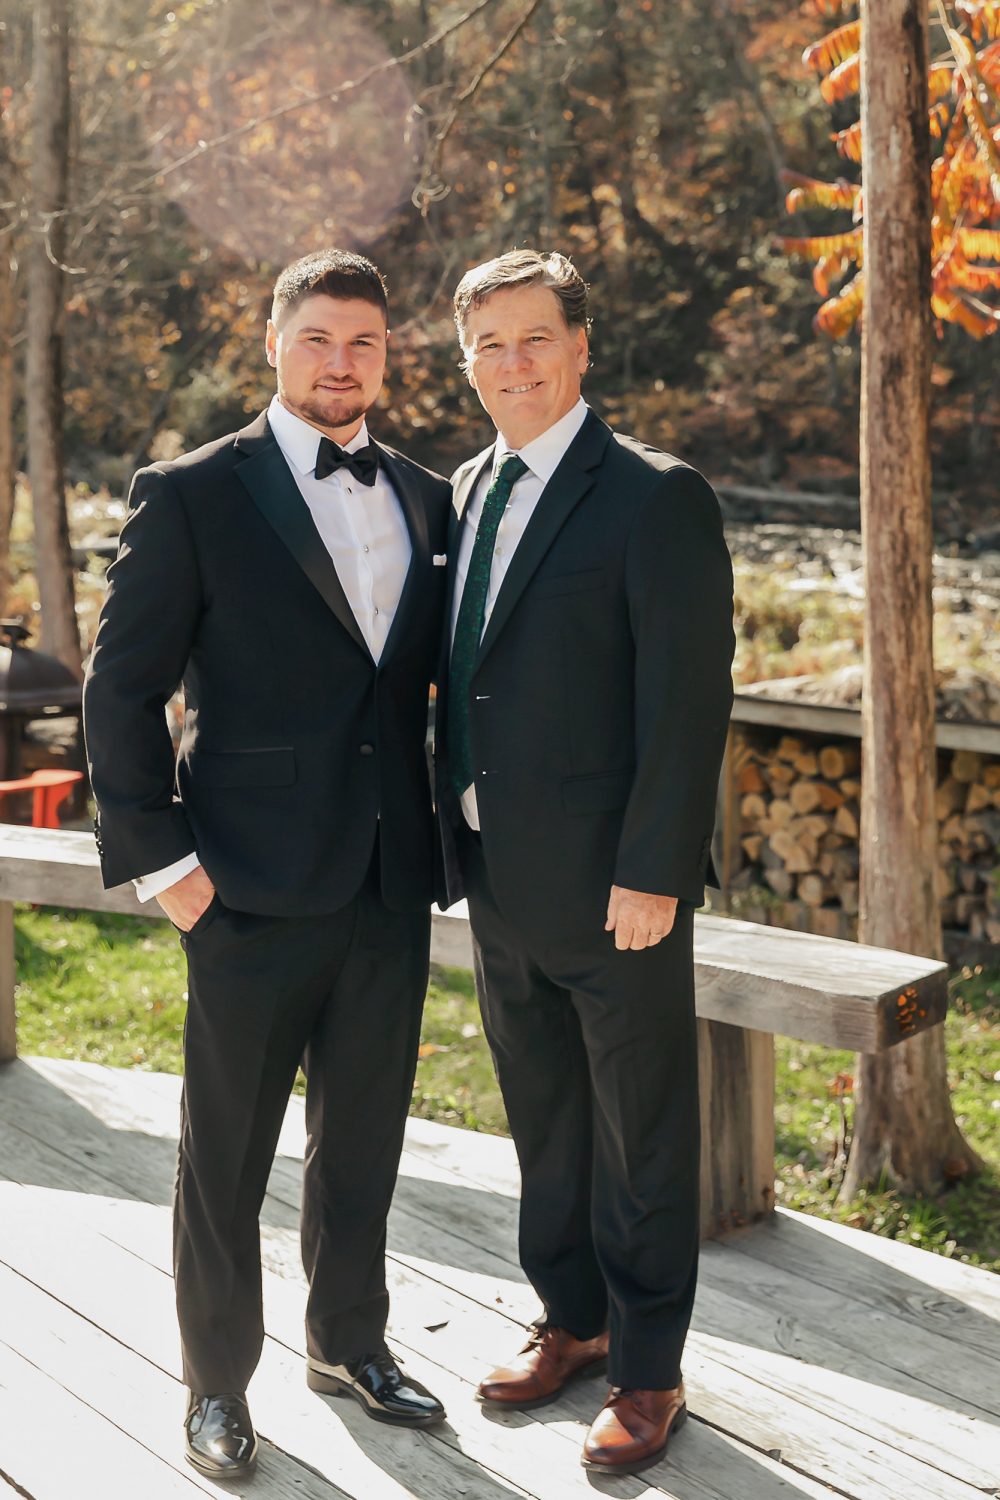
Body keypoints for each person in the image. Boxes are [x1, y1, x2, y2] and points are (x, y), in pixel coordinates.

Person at [83, 249, 449, 1481]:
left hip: (388, 882)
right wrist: (163, 862)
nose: (341, 363)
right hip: (238, 885)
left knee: (365, 1141)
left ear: (386, 357)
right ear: (275, 344)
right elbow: (119, 689)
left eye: (363, 343)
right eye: (318, 339)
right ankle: (215, 1384)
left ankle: (348, 1344)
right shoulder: (191, 492)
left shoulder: (427, 497)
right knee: (226, 1155)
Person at [435, 250, 735, 1476]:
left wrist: (655, 868)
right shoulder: (464, 488)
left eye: (534, 338)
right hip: (495, 874)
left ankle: (649, 1370)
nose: (513, 363)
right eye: (489, 345)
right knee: (545, 1119)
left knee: (642, 1132)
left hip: (619, 888)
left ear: (581, 347)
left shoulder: (654, 496)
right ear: (466, 365)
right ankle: (572, 1320)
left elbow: (687, 700)